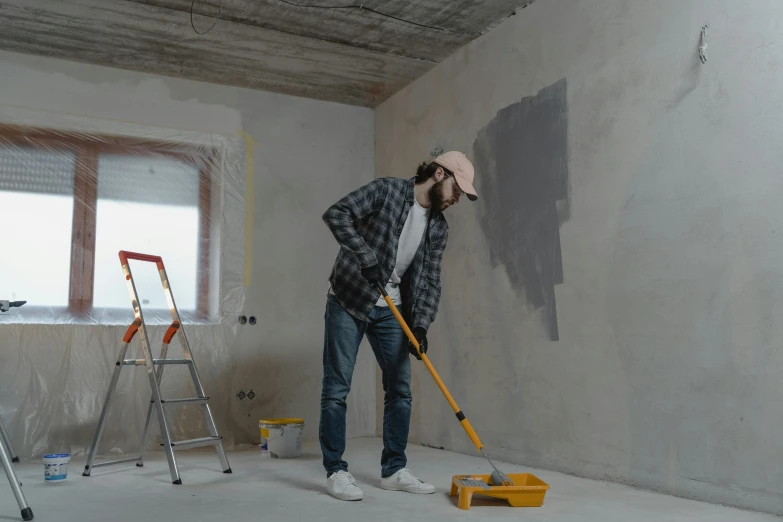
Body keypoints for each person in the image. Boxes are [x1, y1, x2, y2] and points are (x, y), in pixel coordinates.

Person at [319, 151, 478, 501]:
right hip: (349, 298)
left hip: (392, 309)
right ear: (439, 173)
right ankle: (336, 472)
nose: (455, 199)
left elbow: (429, 282)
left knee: (400, 390)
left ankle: (393, 470)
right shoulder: (387, 191)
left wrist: (420, 326)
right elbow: (337, 214)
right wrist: (366, 258)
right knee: (336, 389)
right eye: (455, 188)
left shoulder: (439, 227)